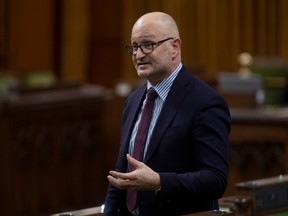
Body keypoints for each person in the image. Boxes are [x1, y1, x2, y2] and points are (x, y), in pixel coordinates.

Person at [103, 11, 231, 216]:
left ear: (174, 47)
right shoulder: (133, 100)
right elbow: (121, 176)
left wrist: (159, 182)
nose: (138, 54)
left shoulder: (205, 102)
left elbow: (215, 179)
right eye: (134, 47)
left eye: (148, 44)